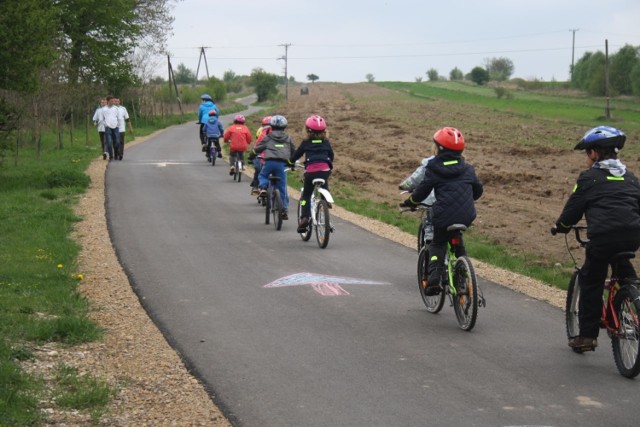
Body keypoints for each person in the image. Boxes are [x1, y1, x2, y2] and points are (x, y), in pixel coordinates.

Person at [552, 126, 640, 351]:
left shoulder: (589, 178)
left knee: (591, 279)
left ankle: (587, 337)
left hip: (602, 238)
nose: (586, 159)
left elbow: (573, 210)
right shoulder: (630, 178)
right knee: (624, 270)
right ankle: (633, 295)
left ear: (594, 153)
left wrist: (560, 226)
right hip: (632, 235)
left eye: (587, 153)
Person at [400, 127, 483, 296]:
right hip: (467, 214)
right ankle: (464, 273)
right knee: (457, 242)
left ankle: (433, 281)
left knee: (437, 243)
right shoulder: (468, 168)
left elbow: (423, 190)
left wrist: (411, 201)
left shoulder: (433, 167)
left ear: (438, 148)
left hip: (443, 215)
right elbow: (478, 191)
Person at [290, 115, 334, 233]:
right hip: (325, 171)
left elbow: (295, 156)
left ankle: (305, 217)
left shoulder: (306, 143)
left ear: (307, 130)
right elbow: (331, 156)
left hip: (310, 172)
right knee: (324, 182)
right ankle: (325, 202)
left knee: (306, 196)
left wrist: (290, 163)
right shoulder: (326, 143)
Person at [249, 115, 296, 220]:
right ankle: (283, 209)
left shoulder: (268, 137)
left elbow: (257, 149)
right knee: (282, 187)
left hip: (269, 162)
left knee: (263, 175)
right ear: (284, 127)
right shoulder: (288, 138)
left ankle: (264, 187)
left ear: (271, 126)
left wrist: (251, 156)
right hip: (282, 165)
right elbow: (294, 151)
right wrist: (292, 162)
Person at [399, 155, 437, 245]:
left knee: (430, 227)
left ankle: (430, 249)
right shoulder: (464, 165)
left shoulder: (430, 163)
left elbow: (416, 180)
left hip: (435, 202)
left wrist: (404, 186)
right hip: (463, 208)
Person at [249, 116, 272, 195]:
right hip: (271, 158)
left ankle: (256, 187)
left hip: (261, 156)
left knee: (259, 172)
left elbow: (256, 145)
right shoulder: (279, 134)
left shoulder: (261, 131)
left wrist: (251, 156)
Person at [102, 95, 120, 161]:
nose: (113, 102)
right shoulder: (103, 109)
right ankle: (111, 156)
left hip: (116, 127)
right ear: (107, 101)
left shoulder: (116, 108)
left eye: (113, 101)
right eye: (111, 101)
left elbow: (118, 117)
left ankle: (116, 154)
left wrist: (118, 124)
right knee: (109, 142)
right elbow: (102, 118)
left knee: (117, 142)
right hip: (108, 127)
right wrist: (105, 124)